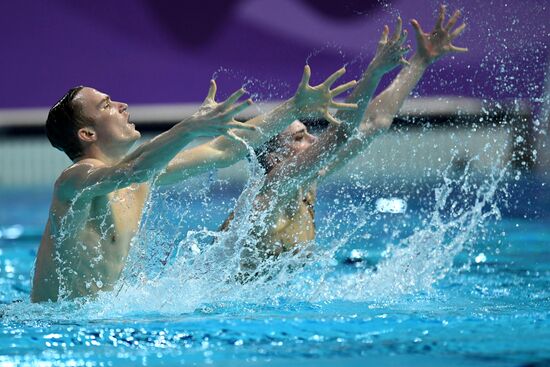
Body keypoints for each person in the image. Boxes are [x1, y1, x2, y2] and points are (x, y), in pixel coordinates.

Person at [31, 67, 358, 302]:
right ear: (87, 134)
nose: (121, 106)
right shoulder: (75, 181)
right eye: (106, 105)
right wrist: (188, 128)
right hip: (52, 323)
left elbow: (222, 149)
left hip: (96, 319)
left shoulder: (141, 177)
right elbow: (131, 170)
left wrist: (294, 108)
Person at [221, 6, 468, 278]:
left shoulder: (305, 185)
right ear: (275, 159)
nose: (313, 138)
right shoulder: (271, 191)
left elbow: (374, 123)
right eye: (299, 138)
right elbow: (340, 134)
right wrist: (373, 72)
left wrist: (420, 61)